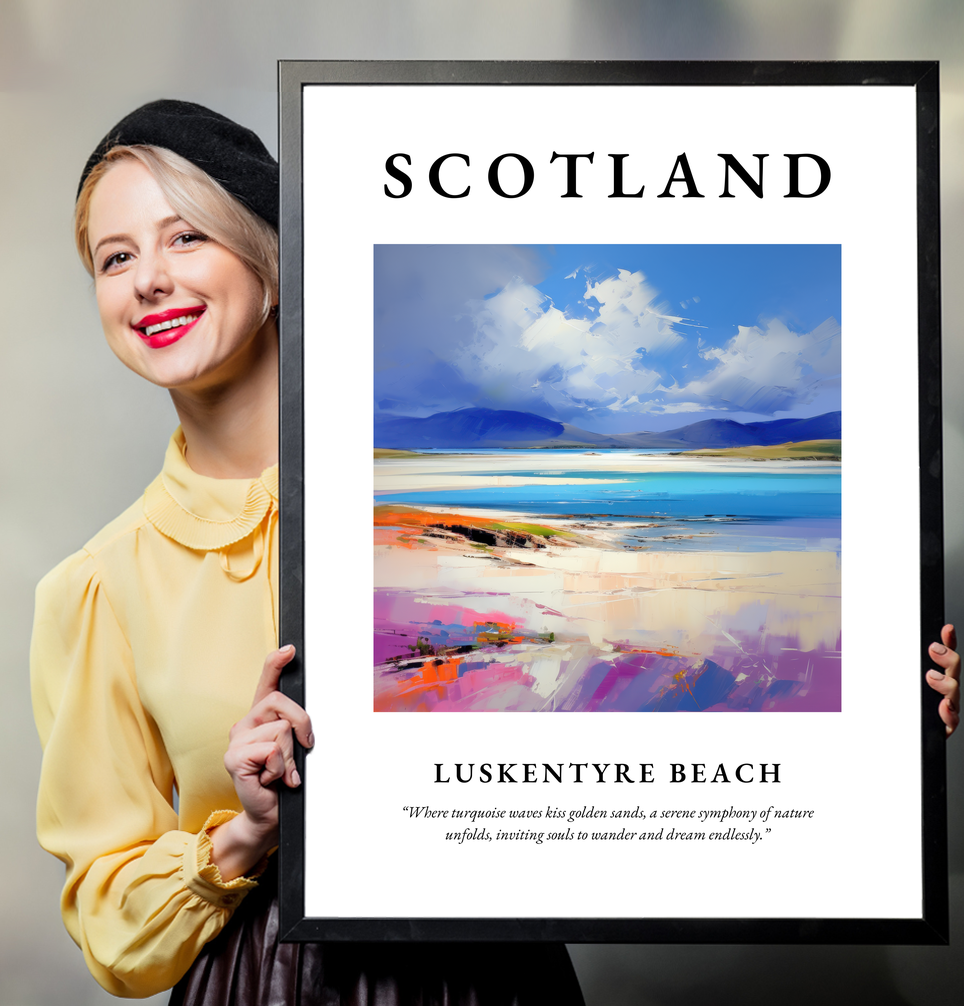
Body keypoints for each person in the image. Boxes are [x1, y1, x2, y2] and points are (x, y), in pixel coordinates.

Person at [30, 100, 586, 1004]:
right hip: (262, 982)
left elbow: (622, 687)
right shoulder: (97, 587)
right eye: (116, 257)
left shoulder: (455, 496)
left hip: (492, 973)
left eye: (186, 238)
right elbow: (110, 922)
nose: (148, 281)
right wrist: (245, 832)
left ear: (273, 263)